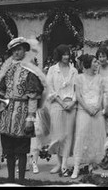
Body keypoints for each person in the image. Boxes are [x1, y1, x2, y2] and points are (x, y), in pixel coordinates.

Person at [0, 37, 46, 183]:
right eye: (14, 50)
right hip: (7, 113)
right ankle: (10, 180)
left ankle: (21, 180)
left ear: (24, 50)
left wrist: (30, 118)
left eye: (19, 49)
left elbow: (33, 96)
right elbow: (1, 90)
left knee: (21, 150)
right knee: (8, 151)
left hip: (23, 113)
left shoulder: (30, 69)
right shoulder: (6, 68)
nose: (16, 52)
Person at [71, 54, 106, 179]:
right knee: (81, 137)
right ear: (88, 63)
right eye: (95, 61)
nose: (97, 63)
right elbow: (78, 96)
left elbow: (101, 94)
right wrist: (87, 108)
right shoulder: (79, 78)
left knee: (95, 137)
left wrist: (97, 107)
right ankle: (76, 166)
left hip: (96, 111)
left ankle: (91, 164)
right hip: (84, 111)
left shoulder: (100, 78)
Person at [45, 44, 77, 177]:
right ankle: (58, 163)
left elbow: (77, 89)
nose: (66, 56)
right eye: (63, 54)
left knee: (68, 135)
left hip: (71, 105)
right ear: (59, 55)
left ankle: (64, 164)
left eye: (68, 54)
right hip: (57, 105)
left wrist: (73, 102)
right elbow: (49, 88)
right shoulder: (52, 70)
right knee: (57, 136)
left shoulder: (74, 70)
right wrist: (60, 102)